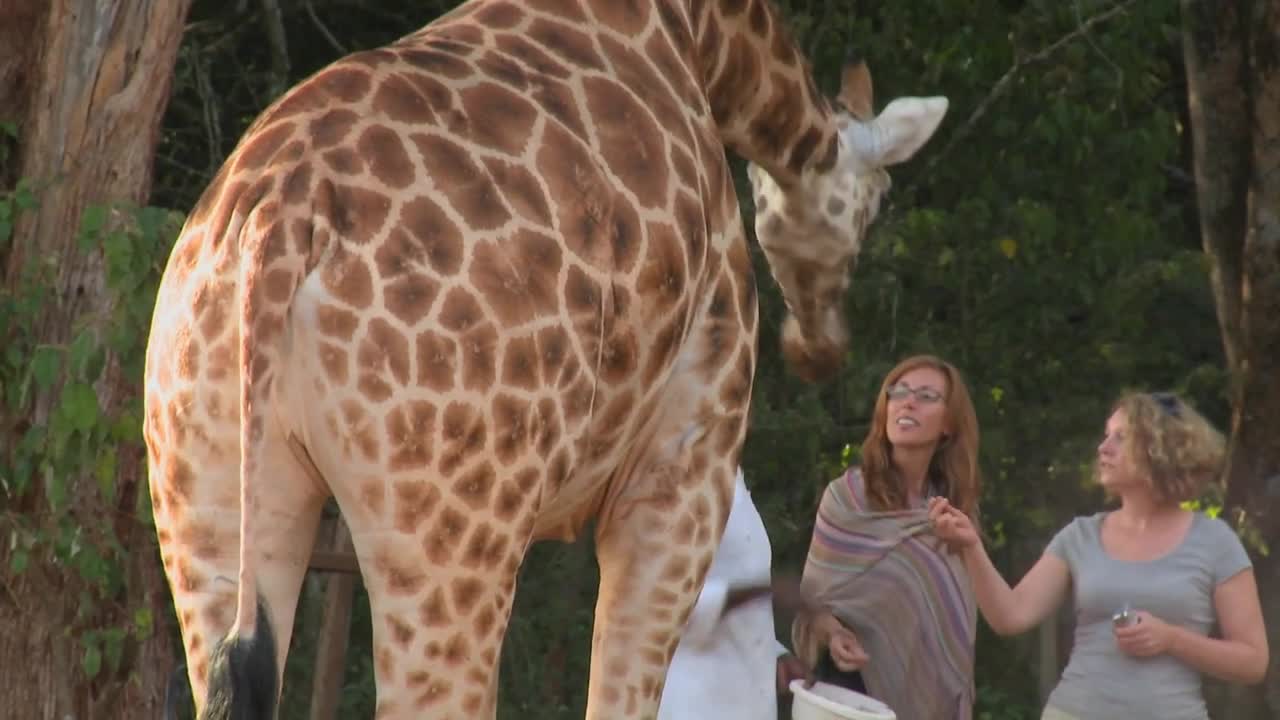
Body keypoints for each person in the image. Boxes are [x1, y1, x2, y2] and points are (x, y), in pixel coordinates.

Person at [930, 391, 1269, 720]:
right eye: (1106, 435)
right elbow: (1010, 616)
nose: (1103, 448)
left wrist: (1172, 639)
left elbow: (1253, 662)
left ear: (1161, 449)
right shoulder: (1081, 536)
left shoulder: (1215, 541)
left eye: (1121, 438)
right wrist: (971, 547)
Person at [789, 354, 983, 719]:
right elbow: (813, 600)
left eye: (926, 396)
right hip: (849, 695)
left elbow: (960, 618)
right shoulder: (846, 499)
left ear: (949, 424)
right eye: (899, 391)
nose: (908, 401)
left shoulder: (955, 513)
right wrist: (833, 634)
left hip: (929, 700)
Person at [658, 467, 809, 720]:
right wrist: (762, 593)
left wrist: (773, 654)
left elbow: (732, 577)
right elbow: (662, 605)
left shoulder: (731, 474)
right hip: (696, 704)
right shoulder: (672, 480)